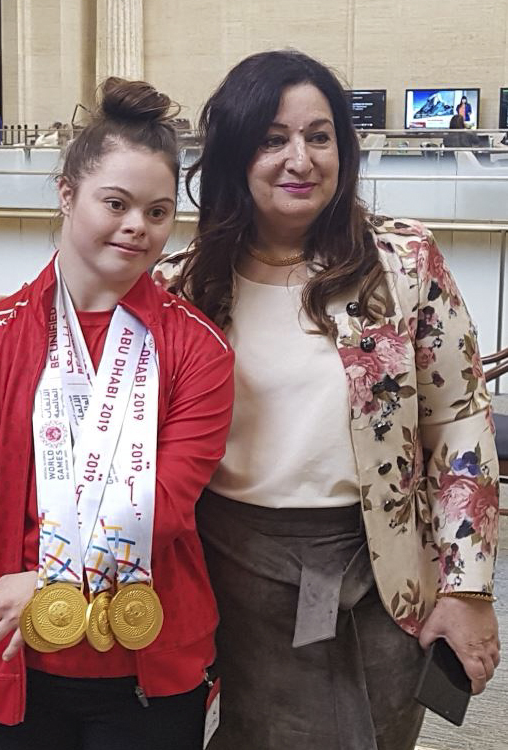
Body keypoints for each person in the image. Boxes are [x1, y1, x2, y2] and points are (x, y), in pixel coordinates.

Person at [154, 50, 500, 749]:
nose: (300, 159)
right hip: (234, 572)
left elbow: (459, 423)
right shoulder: (181, 286)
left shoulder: (404, 263)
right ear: (234, 155)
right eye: (272, 139)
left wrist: (467, 589)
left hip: (382, 571)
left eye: (320, 136)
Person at [0, 77, 234, 749]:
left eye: (158, 211)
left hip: (150, 653)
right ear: (65, 193)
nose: (138, 225)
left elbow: (166, 502)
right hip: (14, 658)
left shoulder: (198, 349)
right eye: (116, 203)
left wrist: (50, 578)